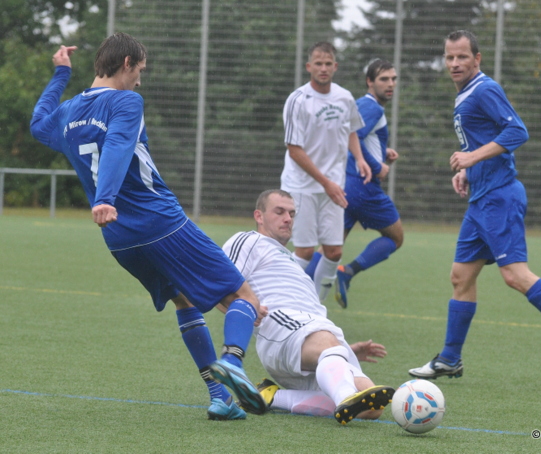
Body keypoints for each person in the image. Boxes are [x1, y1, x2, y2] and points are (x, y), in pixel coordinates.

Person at [30, 34, 266, 420]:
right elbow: (120, 144)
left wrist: (60, 74)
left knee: (184, 300)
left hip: (119, 237)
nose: (140, 80)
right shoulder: (126, 101)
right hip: (159, 220)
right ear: (126, 63)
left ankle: (220, 398)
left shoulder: (69, 112)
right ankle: (234, 363)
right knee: (245, 297)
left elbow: (39, 125)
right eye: (140, 71)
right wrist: (104, 197)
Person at [408, 30, 541, 381]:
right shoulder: (465, 94)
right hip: (482, 198)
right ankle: (450, 358)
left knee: (514, 275)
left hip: (500, 198)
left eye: (462, 56)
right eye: (449, 57)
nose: (454, 63)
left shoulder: (484, 88)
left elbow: (517, 132)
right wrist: (469, 172)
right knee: (460, 276)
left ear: (477, 59)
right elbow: (483, 140)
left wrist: (470, 157)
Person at [222, 189, 394, 424]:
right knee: (348, 391)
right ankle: (343, 393)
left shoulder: (289, 259)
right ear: (259, 216)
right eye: (279, 212)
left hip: (314, 335)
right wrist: (244, 310)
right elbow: (217, 285)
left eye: (292, 213)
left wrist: (342, 352)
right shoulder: (249, 241)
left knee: (372, 408)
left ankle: (271, 397)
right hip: (281, 327)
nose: (288, 219)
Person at [281, 41, 372, 302]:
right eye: (318, 63)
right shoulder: (298, 100)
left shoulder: (344, 97)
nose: (323, 68)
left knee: (333, 251)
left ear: (335, 66)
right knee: (305, 251)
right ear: (309, 67)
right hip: (302, 186)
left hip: (333, 186)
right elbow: (294, 150)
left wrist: (360, 158)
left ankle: (315, 308)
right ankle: (285, 303)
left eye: (328, 63)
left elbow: (351, 129)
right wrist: (326, 183)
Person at [334, 58, 403, 308]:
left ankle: (297, 300)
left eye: (394, 79)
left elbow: (355, 138)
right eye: (384, 79)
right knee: (395, 238)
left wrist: (383, 152)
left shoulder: (361, 105)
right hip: (363, 188)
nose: (391, 84)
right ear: (369, 82)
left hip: (345, 185)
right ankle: (349, 271)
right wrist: (378, 167)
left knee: (330, 251)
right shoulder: (372, 107)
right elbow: (354, 138)